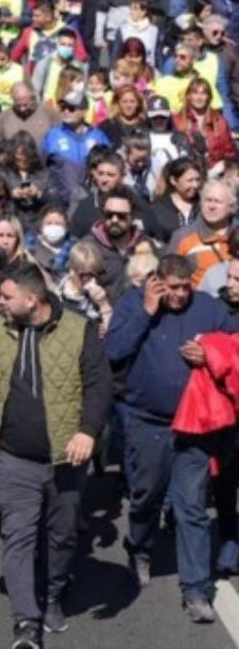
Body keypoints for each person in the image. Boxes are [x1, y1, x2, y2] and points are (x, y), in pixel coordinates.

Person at [0, 263, 113, 648]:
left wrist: (87, 431)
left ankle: (52, 593)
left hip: (65, 459)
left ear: (31, 300)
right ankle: (26, 622)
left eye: (6, 297)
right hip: (14, 458)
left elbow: (100, 387)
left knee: (63, 535)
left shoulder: (78, 330)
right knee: (17, 537)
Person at [104, 255, 234, 623]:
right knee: (147, 493)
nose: (178, 295)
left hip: (193, 423)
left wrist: (210, 353)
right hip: (148, 421)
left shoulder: (207, 307)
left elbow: (233, 346)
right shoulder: (133, 302)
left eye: (184, 287)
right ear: (156, 282)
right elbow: (113, 352)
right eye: (171, 288)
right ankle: (139, 545)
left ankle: (195, 590)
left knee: (191, 506)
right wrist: (146, 311)